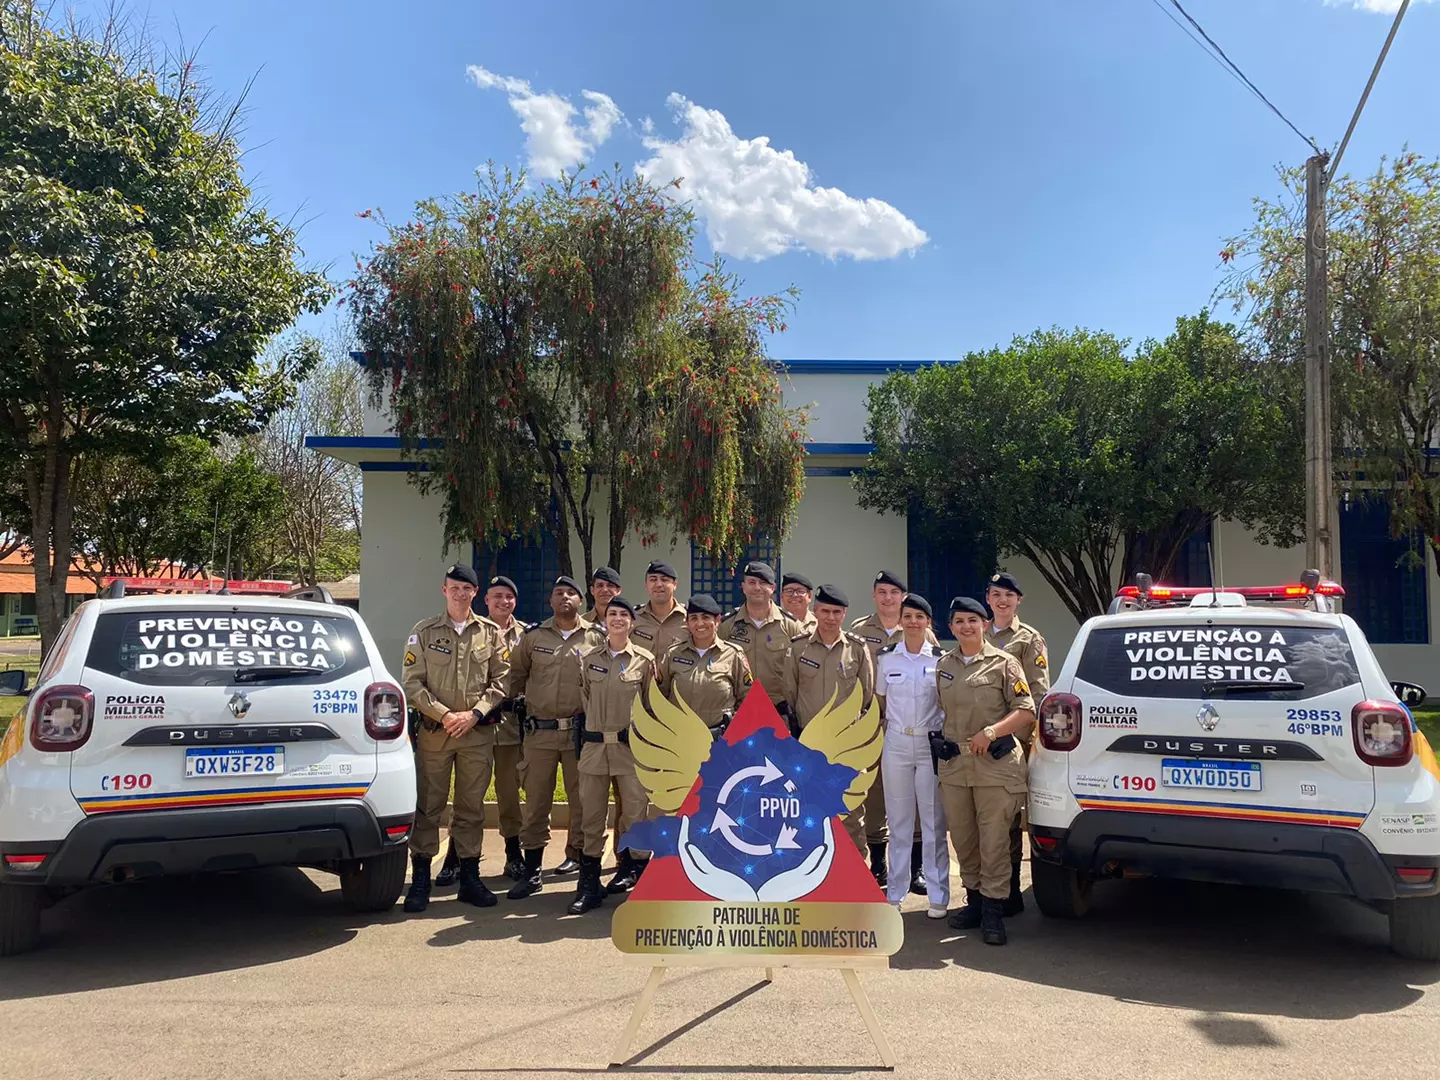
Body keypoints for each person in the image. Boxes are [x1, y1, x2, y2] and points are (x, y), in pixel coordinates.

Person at [400, 564, 511, 913]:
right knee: (429, 806)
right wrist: (445, 715)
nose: (461, 594)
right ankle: (421, 878)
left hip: (475, 735)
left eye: (467, 589)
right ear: (444, 590)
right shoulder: (425, 631)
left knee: (470, 808)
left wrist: (474, 713)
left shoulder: (491, 634)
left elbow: (502, 682)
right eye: (454, 588)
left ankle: (469, 877)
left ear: (475, 593)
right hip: (436, 734)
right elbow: (411, 682)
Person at [934, 596, 1036, 945]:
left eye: (973, 621)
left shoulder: (1004, 664)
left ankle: (995, 908)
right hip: (956, 766)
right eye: (959, 621)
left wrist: (992, 731)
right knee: (963, 838)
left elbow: (1026, 709)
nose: (966, 627)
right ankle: (975, 900)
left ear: (983, 624)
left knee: (994, 840)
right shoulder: (943, 665)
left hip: (995, 765)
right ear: (951, 628)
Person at [504, 576, 596, 899]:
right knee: (536, 803)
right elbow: (514, 677)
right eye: (558, 593)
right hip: (539, 733)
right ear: (551, 600)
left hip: (579, 735)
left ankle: (586, 876)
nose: (564, 597)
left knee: (584, 804)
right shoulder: (533, 637)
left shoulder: (595, 638)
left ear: (581, 601)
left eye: (571, 593)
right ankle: (532, 874)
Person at [850, 571, 937, 892]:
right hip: (872, 728)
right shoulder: (859, 631)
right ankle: (879, 867)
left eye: (894, 593)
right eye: (882, 592)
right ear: (874, 595)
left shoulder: (922, 632)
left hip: (910, 730)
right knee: (874, 798)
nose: (888, 598)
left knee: (914, 801)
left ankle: (916, 871)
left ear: (903, 597)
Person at [570, 595, 657, 915]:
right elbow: (586, 698)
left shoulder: (645, 661)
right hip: (594, 748)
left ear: (633, 622)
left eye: (624, 614)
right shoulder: (588, 658)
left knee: (635, 814)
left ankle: (638, 878)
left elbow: (651, 707)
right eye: (612, 614)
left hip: (631, 748)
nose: (617, 619)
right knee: (591, 817)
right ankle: (589, 885)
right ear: (605, 621)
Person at [874, 593, 949, 918]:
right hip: (896, 744)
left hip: (929, 743)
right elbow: (880, 702)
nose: (914, 622)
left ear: (928, 622)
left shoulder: (940, 659)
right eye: (908, 616)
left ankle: (938, 894)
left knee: (933, 821)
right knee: (899, 820)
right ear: (901, 620)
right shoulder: (887, 658)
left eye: (920, 616)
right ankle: (895, 891)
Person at [785, 584, 875, 854]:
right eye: (825, 611)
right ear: (815, 611)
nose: (830, 617)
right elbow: (790, 693)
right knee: (805, 808)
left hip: (846, 746)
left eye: (837, 612)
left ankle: (854, 869)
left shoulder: (857, 649)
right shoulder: (798, 647)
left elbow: (867, 696)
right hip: (808, 745)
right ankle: (809, 872)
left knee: (850, 811)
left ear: (845, 614)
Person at [985, 570, 1050, 917]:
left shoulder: (1028, 639)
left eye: (1008, 595)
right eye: (996, 594)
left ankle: (1009, 890)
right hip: (979, 738)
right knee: (986, 816)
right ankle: (986, 888)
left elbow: (1037, 694)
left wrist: (1022, 739)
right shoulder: (977, 631)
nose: (1002, 601)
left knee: (1009, 817)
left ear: (1018, 601)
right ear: (988, 598)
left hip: (1011, 742)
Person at [660, 593, 753, 737]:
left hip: (720, 740)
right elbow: (661, 694)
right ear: (687, 623)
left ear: (717, 620)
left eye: (706, 617)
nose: (700, 623)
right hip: (679, 738)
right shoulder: (674, 654)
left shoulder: (733, 654)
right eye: (694, 618)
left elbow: (747, 698)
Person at [717, 562, 805, 706]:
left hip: (778, 709)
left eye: (763, 583)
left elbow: (802, 671)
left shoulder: (790, 626)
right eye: (752, 582)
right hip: (740, 708)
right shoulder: (727, 625)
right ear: (743, 587)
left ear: (773, 588)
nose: (757, 587)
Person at [633, 561, 688, 659]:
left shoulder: (688, 619)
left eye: (664, 579)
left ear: (675, 584)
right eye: (653, 579)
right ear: (646, 584)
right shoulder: (633, 618)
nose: (658, 584)